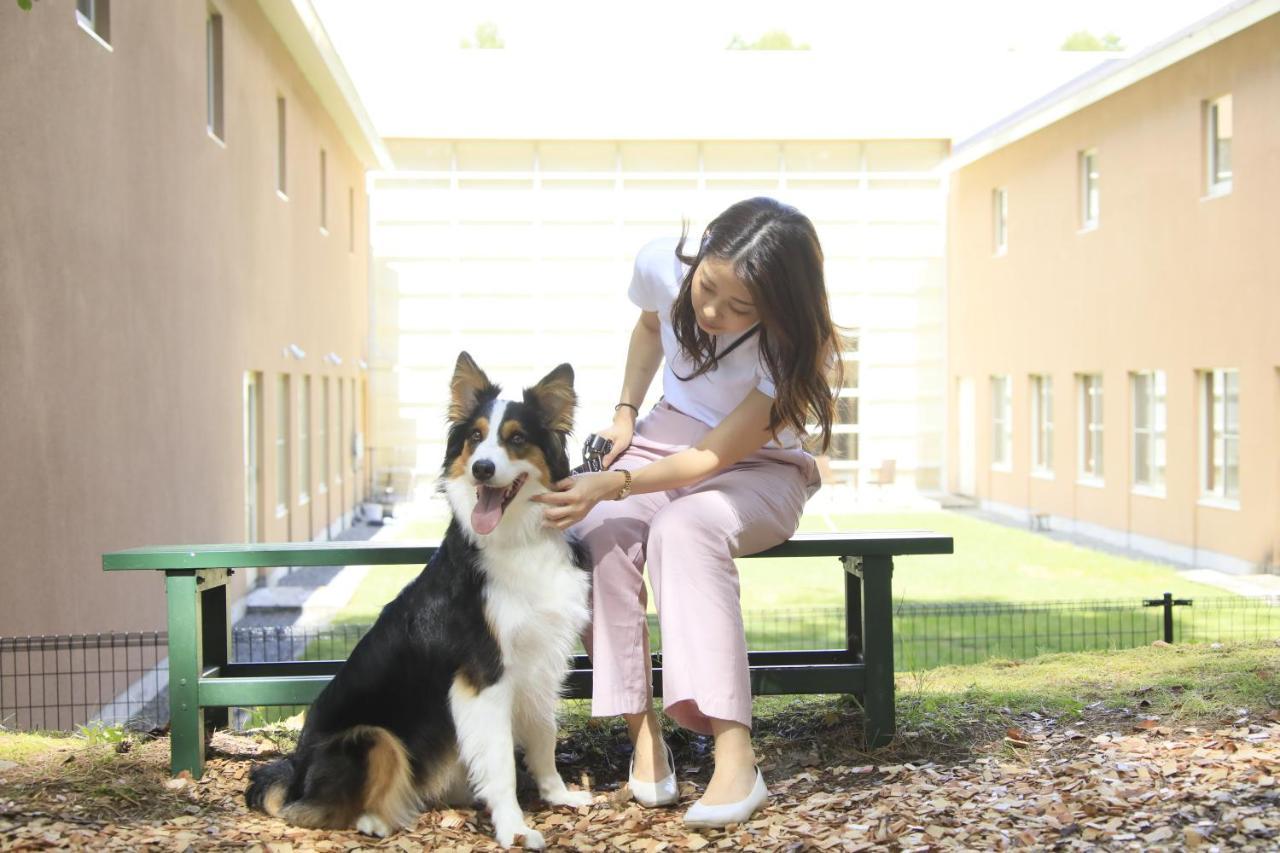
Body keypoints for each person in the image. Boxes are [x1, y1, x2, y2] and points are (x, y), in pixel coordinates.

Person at [534, 197, 844, 827]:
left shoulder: (794, 349)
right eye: (707, 288)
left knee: (686, 526)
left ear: (778, 306)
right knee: (598, 534)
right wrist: (625, 412)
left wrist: (615, 481)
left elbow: (709, 460)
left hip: (758, 467)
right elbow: (651, 327)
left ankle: (736, 756)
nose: (710, 312)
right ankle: (642, 737)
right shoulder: (661, 265)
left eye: (739, 309)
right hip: (661, 439)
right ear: (697, 257)